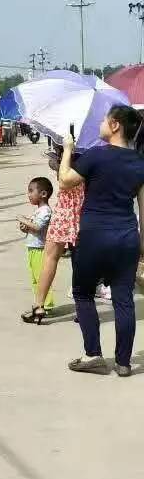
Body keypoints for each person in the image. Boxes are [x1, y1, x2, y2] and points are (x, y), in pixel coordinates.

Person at [59, 105, 144, 377]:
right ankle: (123, 362)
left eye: (105, 120)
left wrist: (67, 149)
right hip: (126, 236)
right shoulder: (140, 163)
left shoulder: (96, 155)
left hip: (94, 236)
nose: (101, 125)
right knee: (124, 300)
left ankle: (93, 354)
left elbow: (64, 181)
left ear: (116, 125)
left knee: (83, 293)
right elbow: (143, 209)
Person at [22, 145, 84, 325]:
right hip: (82, 209)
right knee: (78, 261)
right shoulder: (91, 152)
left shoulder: (73, 152)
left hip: (67, 209)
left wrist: (65, 152)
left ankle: (39, 305)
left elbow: (64, 180)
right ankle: (83, 307)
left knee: (51, 257)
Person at [19, 176, 55, 313]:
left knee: (41, 277)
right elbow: (33, 227)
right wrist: (25, 227)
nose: (29, 194)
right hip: (33, 247)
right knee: (35, 278)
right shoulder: (39, 210)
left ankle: (46, 304)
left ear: (43, 194)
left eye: (31, 191)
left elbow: (38, 227)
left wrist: (23, 220)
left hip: (40, 248)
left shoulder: (45, 210)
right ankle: (38, 302)